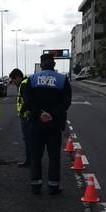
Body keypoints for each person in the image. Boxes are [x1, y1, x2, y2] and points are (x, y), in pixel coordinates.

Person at [22, 53, 72, 195]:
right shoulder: (62, 79)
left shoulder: (31, 79)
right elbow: (66, 101)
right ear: (54, 64)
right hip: (54, 124)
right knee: (54, 156)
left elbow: (28, 100)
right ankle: (53, 186)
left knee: (36, 155)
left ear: (41, 64)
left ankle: (36, 185)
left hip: (36, 124)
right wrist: (52, 114)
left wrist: (39, 113)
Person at [8, 68, 31, 168]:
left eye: (13, 80)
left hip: (26, 117)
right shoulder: (26, 82)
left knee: (28, 139)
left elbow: (27, 101)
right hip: (27, 116)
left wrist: (22, 111)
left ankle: (29, 160)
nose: (13, 83)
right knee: (29, 139)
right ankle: (31, 159)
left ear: (17, 77)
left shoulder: (24, 84)